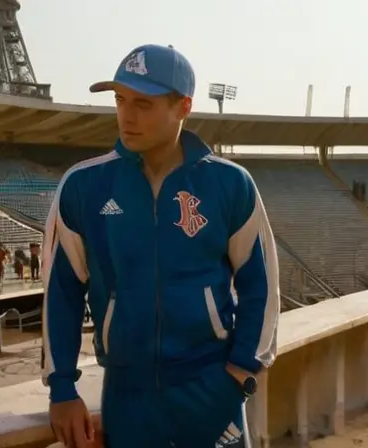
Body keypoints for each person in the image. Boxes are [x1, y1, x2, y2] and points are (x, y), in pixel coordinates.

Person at [41, 44, 280, 448]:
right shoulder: (84, 187)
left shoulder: (230, 184)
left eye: (143, 103)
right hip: (127, 396)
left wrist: (239, 374)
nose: (126, 115)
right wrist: (62, 388)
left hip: (211, 388)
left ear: (183, 107)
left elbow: (263, 285)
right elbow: (61, 293)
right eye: (120, 100)